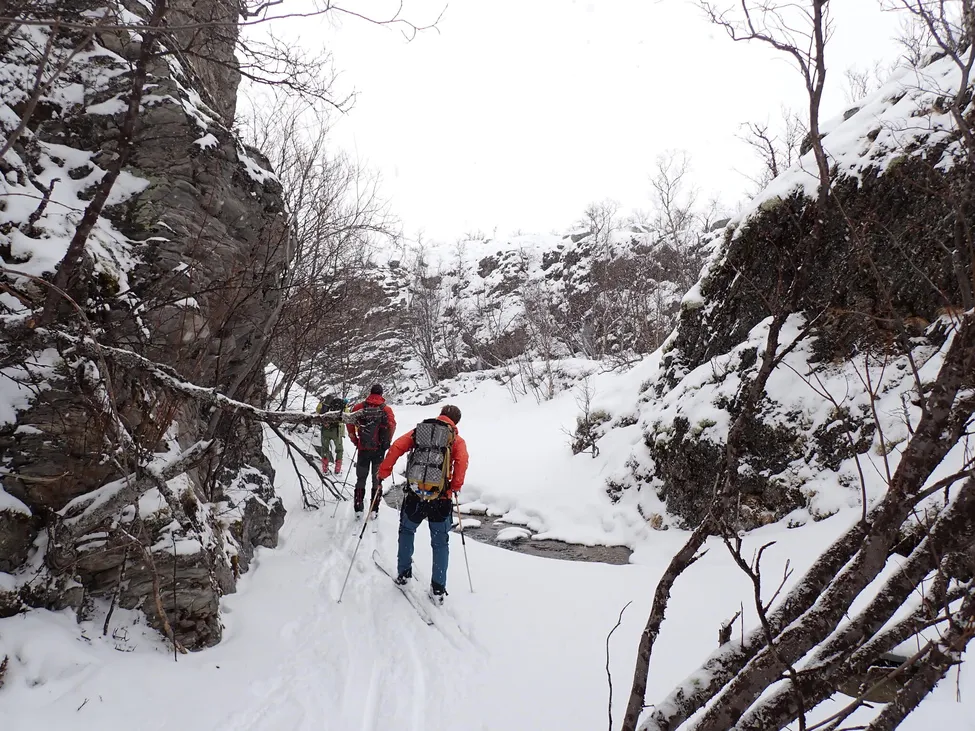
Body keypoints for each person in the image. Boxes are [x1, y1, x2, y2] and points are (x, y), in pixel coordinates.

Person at [378, 404, 469, 599]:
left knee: (407, 531)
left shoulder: (421, 432)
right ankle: (437, 588)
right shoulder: (456, 440)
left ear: (441, 414)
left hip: (415, 494)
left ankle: (403, 575)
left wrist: (383, 472)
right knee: (440, 542)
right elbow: (462, 461)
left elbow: (396, 447)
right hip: (441, 497)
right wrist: (454, 486)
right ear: (456, 421)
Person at [347, 384, 396, 517]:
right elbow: (392, 426)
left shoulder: (359, 407)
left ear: (370, 392)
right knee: (377, 479)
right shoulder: (386, 409)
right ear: (381, 394)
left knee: (361, 478)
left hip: (363, 448)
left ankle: (358, 508)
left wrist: (355, 440)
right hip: (379, 450)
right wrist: (387, 441)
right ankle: (374, 509)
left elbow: (349, 422)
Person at [314, 394, 346, 475]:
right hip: (336, 431)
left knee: (325, 449)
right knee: (339, 450)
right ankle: (337, 470)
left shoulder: (326, 405)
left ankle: (325, 469)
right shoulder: (342, 407)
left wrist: (321, 403)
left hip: (325, 430)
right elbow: (346, 415)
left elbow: (318, 410)